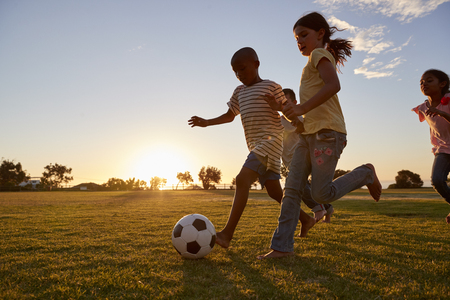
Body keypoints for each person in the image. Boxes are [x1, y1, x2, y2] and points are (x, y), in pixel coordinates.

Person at [258, 12, 382, 259]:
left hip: (328, 134)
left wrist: (302, 107)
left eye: (303, 35)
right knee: (291, 190)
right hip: (308, 135)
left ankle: (366, 172)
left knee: (320, 194)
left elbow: (334, 85)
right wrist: (281, 108)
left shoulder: (319, 55)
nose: (299, 41)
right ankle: (282, 248)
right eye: (296, 38)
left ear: (321, 34)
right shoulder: (309, 65)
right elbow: (303, 118)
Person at [188, 47, 316, 248]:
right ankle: (306, 219)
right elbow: (230, 115)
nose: (239, 75)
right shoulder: (239, 92)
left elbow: (286, 109)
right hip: (255, 146)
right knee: (275, 193)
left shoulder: (271, 87)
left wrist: (299, 123)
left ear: (256, 64)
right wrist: (206, 122)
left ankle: (227, 234)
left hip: (270, 143)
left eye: (242, 68)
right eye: (235, 72)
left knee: (242, 179)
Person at [281, 88, 334, 223]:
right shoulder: (279, 121)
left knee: (294, 184)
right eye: (281, 102)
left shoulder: (300, 118)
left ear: (295, 102)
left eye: (286, 102)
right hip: (287, 159)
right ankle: (328, 208)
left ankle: (318, 208)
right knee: (306, 186)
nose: (284, 105)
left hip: (301, 157)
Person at [412, 69, 450, 224]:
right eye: (421, 82)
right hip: (443, 149)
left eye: (429, 80)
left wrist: (442, 114)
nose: (423, 84)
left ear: (442, 84)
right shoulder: (423, 107)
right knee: (437, 180)